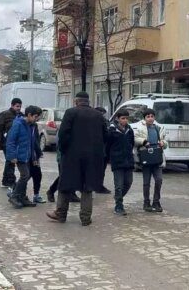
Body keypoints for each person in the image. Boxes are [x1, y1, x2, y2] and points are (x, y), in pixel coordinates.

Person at [46, 92, 107, 225]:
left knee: (65, 183)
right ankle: (85, 218)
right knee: (87, 187)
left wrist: (63, 150)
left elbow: (63, 134)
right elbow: (105, 135)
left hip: (72, 156)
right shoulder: (98, 115)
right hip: (92, 157)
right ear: (88, 101)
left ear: (76, 101)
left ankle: (61, 213)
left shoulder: (70, 112)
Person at [6, 105, 42, 209]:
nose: (37, 119)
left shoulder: (31, 125)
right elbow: (10, 141)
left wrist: (35, 158)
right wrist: (12, 156)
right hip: (19, 156)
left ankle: (22, 197)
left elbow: (32, 143)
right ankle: (14, 196)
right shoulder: (18, 124)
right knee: (25, 175)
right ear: (29, 115)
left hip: (28, 156)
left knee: (27, 175)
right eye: (35, 117)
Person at [134, 108, 167, 213]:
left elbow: (165, 141)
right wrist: (143, 141)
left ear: (154, 117)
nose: (150, 118)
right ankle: (146, 202)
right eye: (148, 116)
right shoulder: (140, 128)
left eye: (152, 116)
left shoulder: (159, 128)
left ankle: (156, 202)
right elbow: (135, 139)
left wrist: (163, 143)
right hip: (146, 159)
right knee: (146, 182)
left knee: (159, 180)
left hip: (157, 159)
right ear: (144, 118)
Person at [105, 109, 135, 215]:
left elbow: (132, 143)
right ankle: (119, 205)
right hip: (117, 161)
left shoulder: (130, 130)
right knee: (118, 185)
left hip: (128, 161)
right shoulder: (112, 130)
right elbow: (107, 145)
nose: (125, 120)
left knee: (128, 182)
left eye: (126, 118)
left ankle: (118, 197)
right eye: (123, 118)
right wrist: (109, 158)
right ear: (118, 119)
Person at [0, 98, 22, 189]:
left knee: (9, 162)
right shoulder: (4, 115)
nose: (19, 108)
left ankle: (5, 181)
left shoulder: (20, 116)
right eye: (17, 106)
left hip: (16, 143)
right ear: (12, 105)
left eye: (20, 106)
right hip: (7, 142)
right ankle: (10, 181)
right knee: (10, 161)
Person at [95, 106, 112, 194]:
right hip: (98, 150)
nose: (103, 116)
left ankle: (99, 185)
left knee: (102, 169)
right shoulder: (95, 122)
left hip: (104, 150)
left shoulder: (105, 121)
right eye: (101, 114)